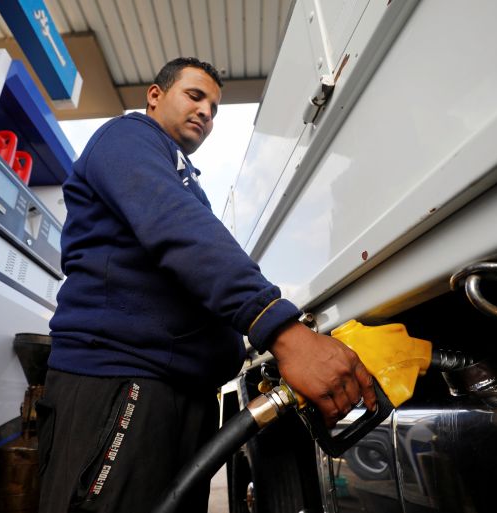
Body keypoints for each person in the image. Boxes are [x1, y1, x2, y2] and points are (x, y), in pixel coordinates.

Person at [37, 57, 377, 513]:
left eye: (215, 108)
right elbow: (177, 229)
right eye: (194, 97)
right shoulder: (127, 138)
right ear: (155, 96)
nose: (206, 113)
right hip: (122, 379)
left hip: (176, 391)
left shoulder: (182, 176)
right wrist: (281, 330)